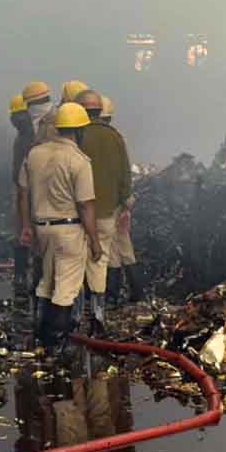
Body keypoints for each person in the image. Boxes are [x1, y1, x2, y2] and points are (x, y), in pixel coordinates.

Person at [17, 102, 102, 354]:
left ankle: (41, 335)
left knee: (47, 282)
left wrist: (26, 225)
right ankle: (55, 342)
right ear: (79, 130)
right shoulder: (79, 161)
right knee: (65, 288)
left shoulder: (34, 154)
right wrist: (94, 240)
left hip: (42, 228)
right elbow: (86, 205)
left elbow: (22, 192)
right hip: (69, 230)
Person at [75, 90, 132, 335]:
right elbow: (125, 175)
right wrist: (122, 202)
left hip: (79, 212)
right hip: (107, 211)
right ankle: (98, 313)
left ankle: (77, 314)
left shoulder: (77, 135)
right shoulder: (115, 136)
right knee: (100, 261)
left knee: (76, 262)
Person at [99, 96, 144, 304]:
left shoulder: (97, 139)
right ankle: (137, 291)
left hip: (107, 200)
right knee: (124, 244)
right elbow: (124, 171)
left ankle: (112, 294)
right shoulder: (117, 137)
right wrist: (127, 201)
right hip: (121, 198)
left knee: (111, 249)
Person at [9, 94, 34, 296]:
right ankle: (24, 277)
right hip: (29, 188)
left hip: (24, 188)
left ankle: (21, 277)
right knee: (26, 233)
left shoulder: (24, 137)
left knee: (23, 234)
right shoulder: (29, 134)